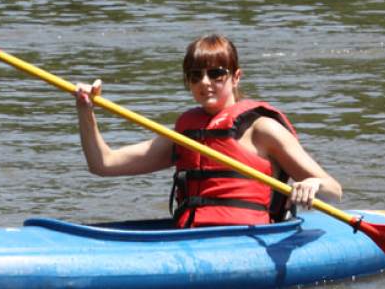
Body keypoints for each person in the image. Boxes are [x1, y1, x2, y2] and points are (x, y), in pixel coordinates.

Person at [73, 34, 342, 227]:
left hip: (250, 239)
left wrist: (312, 184)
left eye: (216, 74)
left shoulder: (263, 130)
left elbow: (333, 190)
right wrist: (85, 109)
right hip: (191, 238)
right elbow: (103, 164)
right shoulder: (183, 136)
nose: (205, 82)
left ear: (236, 77)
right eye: (195, 76)